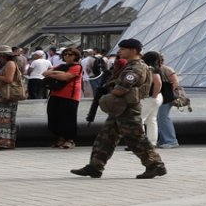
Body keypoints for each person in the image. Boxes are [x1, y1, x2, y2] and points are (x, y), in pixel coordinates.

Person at [71, 39, 167, 179]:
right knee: (105, 138)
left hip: (128, 108)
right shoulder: (132, 65)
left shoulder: (135, 68)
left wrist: (109, 94)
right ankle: (95, 166)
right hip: (121, 108)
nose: (119, 51)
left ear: (133, 51)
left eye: (123, 49)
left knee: (136, 138)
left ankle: (155, 165)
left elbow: (122, 89)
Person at [43, 47, 82, 149]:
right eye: (65, 54)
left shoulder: (77, 67)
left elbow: (66, 77)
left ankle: (70, 140)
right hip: (55, 94)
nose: (67, 56)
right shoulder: (61, 66)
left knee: (68, 118)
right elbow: (45, 73)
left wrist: (53, 73)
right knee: (54, 117)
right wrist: (58, 73)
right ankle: (60, 138)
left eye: (70, 54)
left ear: (76, 56)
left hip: (70, 96)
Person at [155, 52, 181, 148]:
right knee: (160, 118)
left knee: (163, 118)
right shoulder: (158, 69)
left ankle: (171, 141)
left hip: (166, 97)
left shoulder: (167, 69)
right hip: (162, 96)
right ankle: (163, 140)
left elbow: (175, 83)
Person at [140, 52, 164, 148]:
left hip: (150, 97)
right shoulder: (157, 68)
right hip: (157, 97)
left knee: (139, 120)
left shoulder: (151, 69)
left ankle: (140, 143)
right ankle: (152, 142)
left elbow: (158, 83)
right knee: (151, 120)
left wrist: (153, 96)